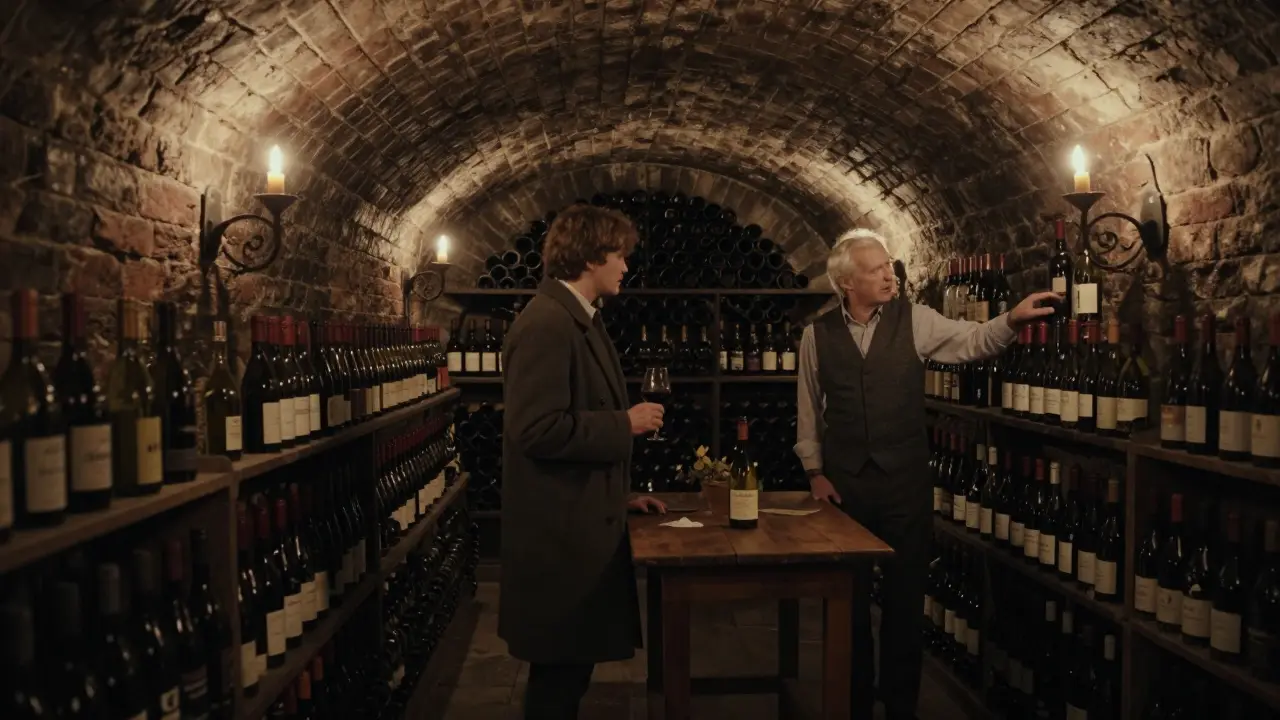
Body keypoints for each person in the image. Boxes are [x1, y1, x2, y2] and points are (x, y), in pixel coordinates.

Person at [795, 229, 1058, 720]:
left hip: (904, 485)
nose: (889, 274)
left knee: (903, 605)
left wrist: (1011, 319)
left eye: (889, 266)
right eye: (876, 269)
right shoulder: (817, 335)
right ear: (847, 282)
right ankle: (854, 706)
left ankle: (899, 708)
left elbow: (972, 340)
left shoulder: (915, 320)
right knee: (848, 607)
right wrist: (815, 473)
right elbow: (809, 410)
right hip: (844, 488)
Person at [498, 203, 668, 719]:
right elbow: (536, 429)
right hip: (559, 540)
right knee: (557, 683)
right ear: (592, 256)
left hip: (579, 526)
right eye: (619, 254)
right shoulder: (549, 324)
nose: (625, 266)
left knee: (569, 676)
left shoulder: (577, 319)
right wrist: (626, 424)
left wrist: (620, 496)